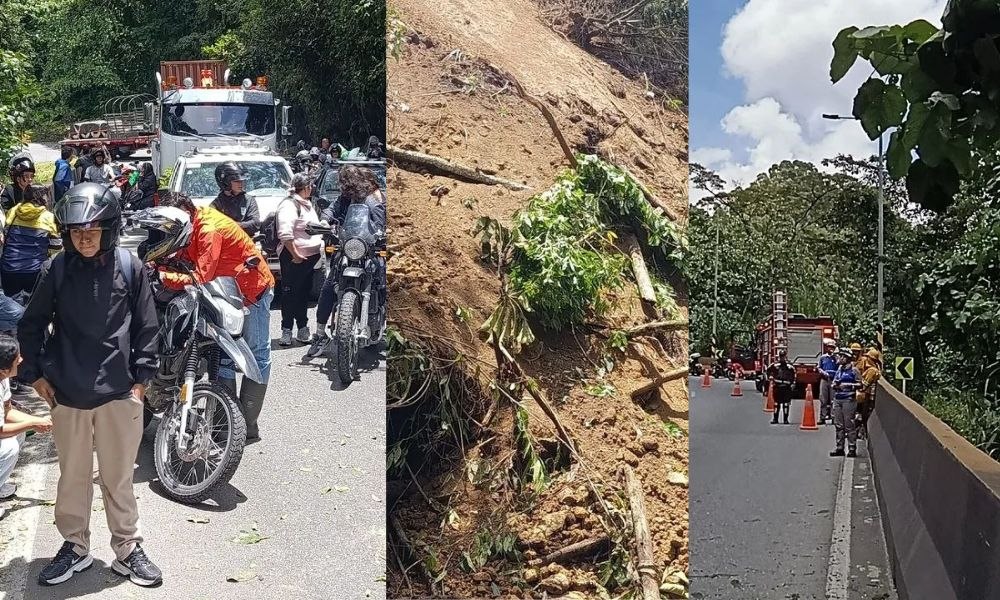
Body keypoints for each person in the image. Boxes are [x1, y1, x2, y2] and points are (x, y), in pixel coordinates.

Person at [19, 182, 162, 587]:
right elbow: (30, 326)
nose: (84, 238)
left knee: (118, 479)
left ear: (110, 229)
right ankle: (75, 546)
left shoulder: (131, 267)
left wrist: (141, 384)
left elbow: (148, 328)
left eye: (93, 230)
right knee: (73, 478)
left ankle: (128, 549)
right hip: (69, 394)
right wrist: (36, 375)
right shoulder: (57, 268)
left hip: (120, 393)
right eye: (76, 231)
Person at [155, 192, 275, 443]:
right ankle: (226, 425)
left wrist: (166, 278)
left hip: (251, 293)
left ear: (186, 213)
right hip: (222, 292)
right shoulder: (190, 224)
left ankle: (248, 426)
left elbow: (201, 276)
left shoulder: (209, 229)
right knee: (223, 354)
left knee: (256, 354)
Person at [307, 165, 386, 357]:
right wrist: (324, 222)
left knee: (383, 281)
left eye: (344, 183)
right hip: (346, 249)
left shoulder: (372, 199)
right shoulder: (343, 199)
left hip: (368, 250)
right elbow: (330, 211)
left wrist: (381, 233)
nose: (344, 187)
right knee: (328, 287)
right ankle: (319, 334)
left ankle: (383, 322)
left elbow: (379, 221)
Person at [0, 334, 52, 502]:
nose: (21, 360)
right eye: (17, 358)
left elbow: (7, 413)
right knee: (9, 448)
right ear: (4, 369)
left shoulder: (3, 379)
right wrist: (33, 423)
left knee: (20, 432)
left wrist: (37, 420)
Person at [276, 173, 323, 346]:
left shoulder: (308, 204)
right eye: (309, 186)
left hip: (309, 258)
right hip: (294, 258)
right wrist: (295, 254)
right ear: (303, 187)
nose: (311, 188)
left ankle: (303, 329)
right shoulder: (289, 205)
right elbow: (285, 233)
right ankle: (286, 330)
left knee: (303, 293)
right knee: (289, 294)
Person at [1, 185, 61, 298]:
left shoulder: (13, 212)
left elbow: (6, 236)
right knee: (33, 308)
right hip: (35, 272)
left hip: (8, 270)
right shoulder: (49, 217)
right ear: (44, 198)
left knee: (12, 310)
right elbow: (56, 247)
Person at [210, 162, 260, 236]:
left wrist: (233, 225)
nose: (241, 183)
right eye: (237, 181)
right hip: (225, 244)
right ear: (225, 182)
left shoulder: (249, 200)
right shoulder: (216, 204)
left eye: (242, 181)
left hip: (247, 242)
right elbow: (211, 225)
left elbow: (255, 223)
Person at [830, 349, 861, 457]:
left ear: (846, 358)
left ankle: (852, 448)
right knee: (839, 425)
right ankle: (840, 448)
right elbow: (834, 382)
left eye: (841, 356)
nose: (839, 358)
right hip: (838, 398)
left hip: (849, 399)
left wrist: (847, 385)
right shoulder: (839, 369)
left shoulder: (854, 370)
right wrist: (835, 385)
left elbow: (860, 384)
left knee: (849, 425)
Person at [855, 348, 882, 440]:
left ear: (871, 359)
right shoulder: (873, 369)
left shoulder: (872, 371)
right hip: (867, 395)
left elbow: (865, 385)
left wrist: (857, 388)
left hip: (868, 396)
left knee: (864, 415)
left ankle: (862, 432)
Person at [766, 350, 796, 424]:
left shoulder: (790, 366)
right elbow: (768, 371)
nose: (782, 358)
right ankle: (775, 419)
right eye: (781, 356)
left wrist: (793, 383)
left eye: (783, 356)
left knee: (786, 404)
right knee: (776, 404)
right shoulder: (775, 365)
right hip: (777, 386)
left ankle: (786, 419)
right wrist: (770, 377)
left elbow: (794, 375)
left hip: (786, 386)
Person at [817, 339, 838, 425]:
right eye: (829, 347)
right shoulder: (823, 357)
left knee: (833, 400)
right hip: (824, 379)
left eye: (832, 347)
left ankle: (833, 417)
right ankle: (822, 417)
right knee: (823, 399)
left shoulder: (837, 358)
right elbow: (819, 367)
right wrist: (823, 372)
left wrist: (835, 357)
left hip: (833, 380)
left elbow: (840, 367)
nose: (830, 349)